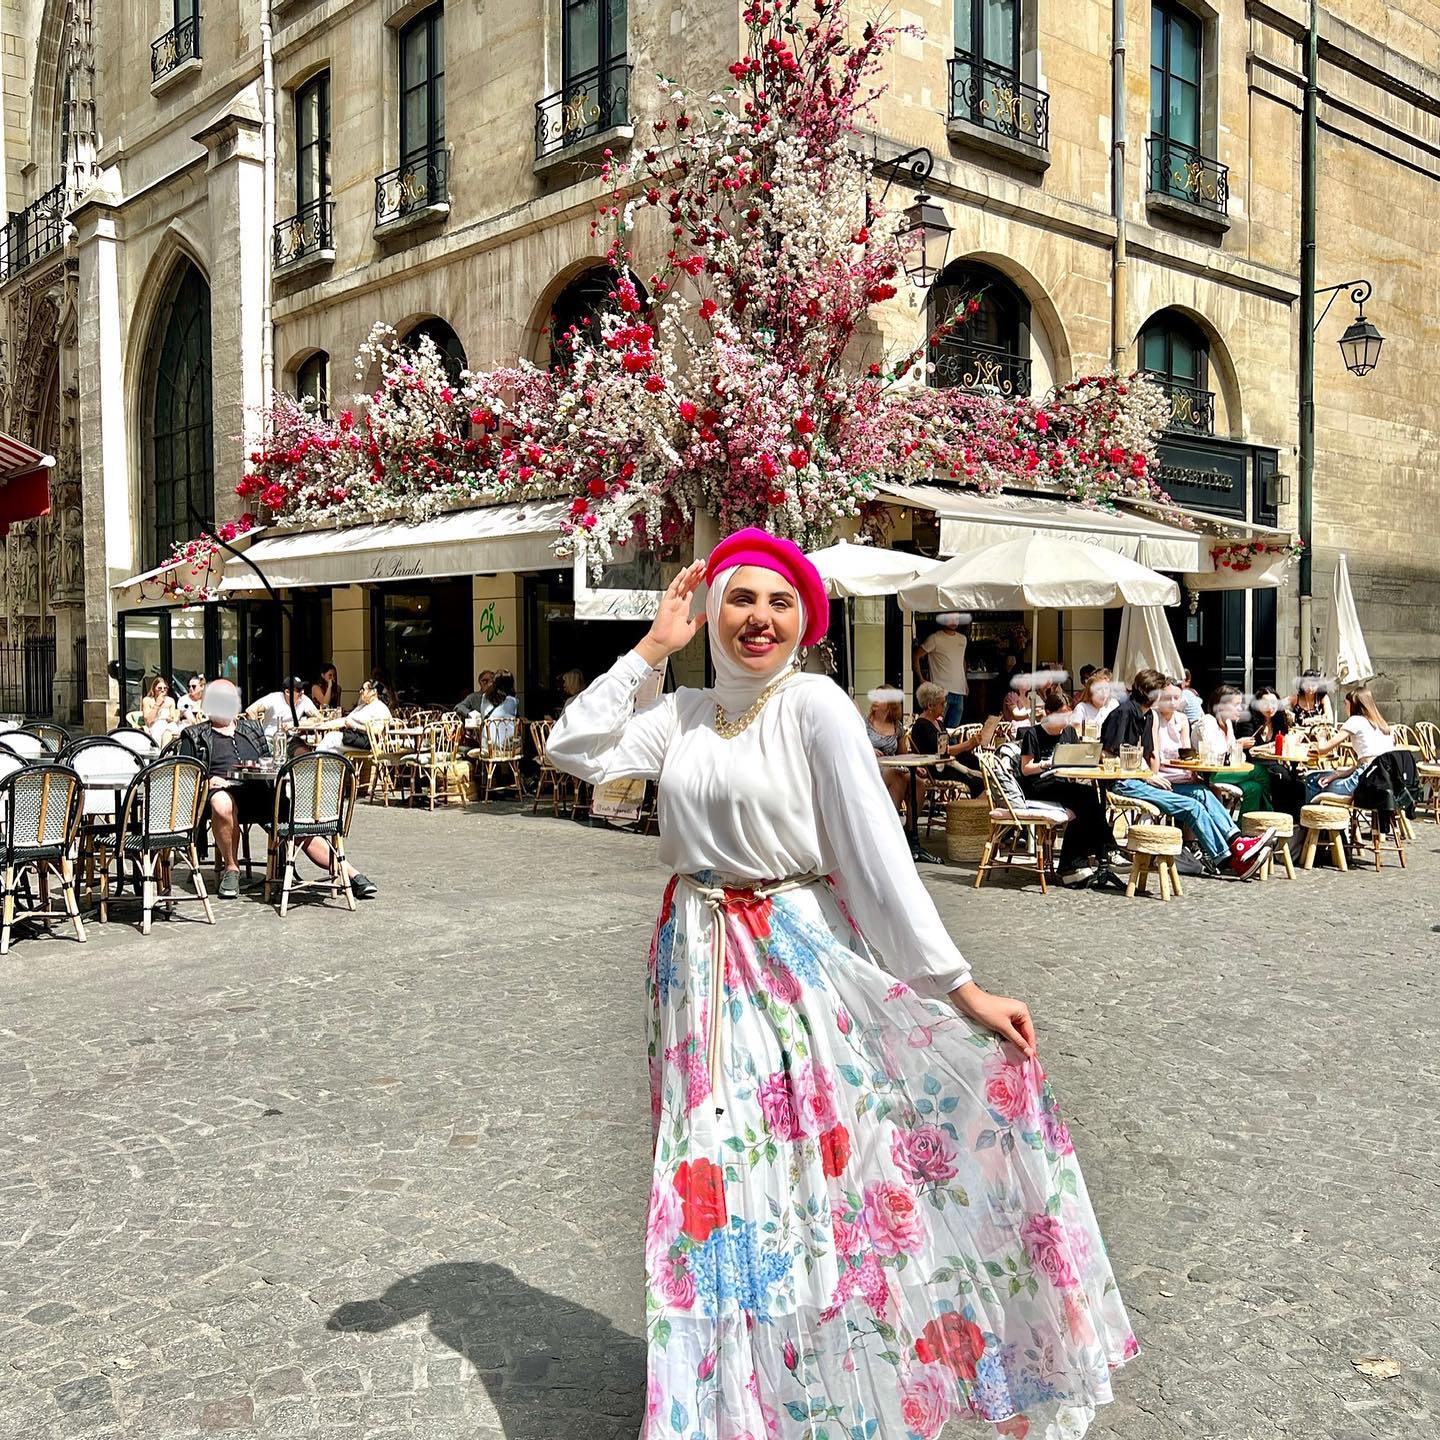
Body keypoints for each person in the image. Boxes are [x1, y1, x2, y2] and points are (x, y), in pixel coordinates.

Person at [547, 529, 1136, 1438]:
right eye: (742, 598)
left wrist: (957, 988)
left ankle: (837, 1385)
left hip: (794, 962)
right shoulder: (687, 712)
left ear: (806, 623)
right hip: (697, 970)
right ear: (710, 610)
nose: (759, 619)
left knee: (813, 1174)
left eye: (782, 603)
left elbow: (875, 855)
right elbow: (574, 750)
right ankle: (737, 1398)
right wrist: (651, 650)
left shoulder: (814, 705)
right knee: (714, 1179)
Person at [178, 680, 377, 902]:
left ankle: (351, 874)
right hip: (221, 797)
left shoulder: (251, 729)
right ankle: (231, 870)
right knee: (221, 802)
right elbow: (187, 777)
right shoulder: (195, 735)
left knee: (301, 826)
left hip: (260, 794)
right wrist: (208, 780)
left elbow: (268, 759)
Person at [1104, 669, 1275, 879]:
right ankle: (1228, 859)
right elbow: (1108, 752)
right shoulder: (1125, 713)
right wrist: (1148, 775)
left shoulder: (1146, 715)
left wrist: (1150, 773)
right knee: (1193, 806)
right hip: (1125, 782)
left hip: (1145, 778)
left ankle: (1236, 842)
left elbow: (1149, 755)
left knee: (1204, 793)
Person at [1017, 688, 1108, 883]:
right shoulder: (1033, 734)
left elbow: (1074, 760)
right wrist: (1046, 764)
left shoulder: (1068, 732)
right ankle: (1095, 853)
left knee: (1088, 800)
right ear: (1048, 713)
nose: (1065, 720)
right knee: (1087, 797)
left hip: (1062, 783)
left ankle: (1076, 862)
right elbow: (1026, 769)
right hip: (1039, 785)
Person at [1305, 685, 1396, 800]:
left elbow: (1322, 749)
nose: (1344, 708)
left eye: (1345, 704)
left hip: (1363, 783)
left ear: (1353, 705)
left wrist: (1321, 737)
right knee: (1326, 778)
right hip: (1386, 781)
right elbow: (1365, 763)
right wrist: (1336, 775)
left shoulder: (1355, 720)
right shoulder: (1383, 725)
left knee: (1313, 780)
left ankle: (1313, 816)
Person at [1196, 684, 1270, 814]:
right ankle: (1270, 813)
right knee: (1261, 772)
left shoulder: (1228, 724)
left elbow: (1239, 758)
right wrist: (1237, 745)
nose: (1240, 708)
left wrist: (1236, 747)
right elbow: (1213, 754)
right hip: (1209, 772)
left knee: (1255, 788)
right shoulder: (1208, 721)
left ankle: (1243, 829)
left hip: (1225, 770)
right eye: (1236, 705)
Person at [910, 680, 989, 799]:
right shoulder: (921, 726)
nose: (945, 705)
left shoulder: (939, 723)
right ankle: (978, 809)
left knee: (975, 763)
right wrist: (967, 744)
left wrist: (971, 745)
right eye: (941, 703)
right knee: (976, 781)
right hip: (934, 768)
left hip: (946, 763)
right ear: (930, 706)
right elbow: (942, 752)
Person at [915, 612, 970, 728]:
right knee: (937, 728)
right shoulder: (935, 638)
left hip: (959, 691)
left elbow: (962, 661)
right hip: (940, 692)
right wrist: (921, 679)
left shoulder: (963, 639)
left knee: (954, 731)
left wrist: (965, 683)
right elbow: (916, 656)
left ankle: (952, 747)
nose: (953, 621)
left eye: (956, 618)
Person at [311, 679, 393, 753]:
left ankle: (314, 764)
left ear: (373, 692)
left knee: (331, 739)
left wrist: (354, 726)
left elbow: (377, 730)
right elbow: (345, 720)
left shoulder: (380, 708)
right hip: (354, 739)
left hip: (369, 744)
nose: (360, 692)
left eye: (363, 689)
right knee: (331, 745)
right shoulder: (363, 706)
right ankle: (322, 767)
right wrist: (324, 725)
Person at [864, 686, 909, 813]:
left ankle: (910, 830)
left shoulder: (897, 726)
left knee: (918, 783)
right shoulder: (864, 724)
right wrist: (869, 749)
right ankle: (892, 823)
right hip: (871, 768)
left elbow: (903, 755)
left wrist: (916, 768)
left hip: (893, 766)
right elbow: (852, 746)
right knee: (895, 775)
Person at [247, 677, 320, 743]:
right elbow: (251, 710)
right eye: (298, 690)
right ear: (287, 692)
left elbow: (318, 717)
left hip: (291, 739)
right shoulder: (274, 698)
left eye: (302, 689)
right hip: (270, 740)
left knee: (304, 755)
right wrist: (257, 736)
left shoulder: (303, 699)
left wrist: (295, 724)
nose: (302, 692)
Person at [1071, 667, 1118, 737]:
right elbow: (1075, 735)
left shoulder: (1114, 705)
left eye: (1106, 688)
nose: (1103, 693)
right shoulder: (1081, 708)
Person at [140, 675, 183, 746]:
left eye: (165, 688)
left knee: (169, 731)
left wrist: (171, 718)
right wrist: (157, 705)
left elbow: (173, 717)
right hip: (155, 725)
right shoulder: (147, 700)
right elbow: (148, 721)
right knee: (161, 730)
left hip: (168, 725)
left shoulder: (170, 700)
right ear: (154, 688)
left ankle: (164, 752)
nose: (162, 690)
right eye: (159, 688)